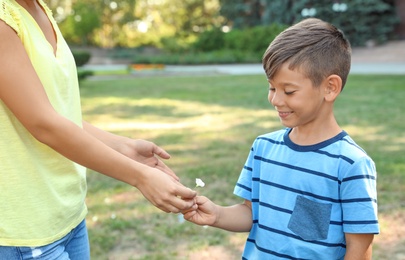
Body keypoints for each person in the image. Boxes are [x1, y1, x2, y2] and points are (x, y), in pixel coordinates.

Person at [0, 0, 196, 258]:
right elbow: (43, 124)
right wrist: (139, 177)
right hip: (25, 231)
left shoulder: (39, 9)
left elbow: (59, 112)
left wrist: (123, 147)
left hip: (67, 215)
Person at [183, 18, 379, 259]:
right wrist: (217, 215)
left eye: (288, 91)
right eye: (272, 88)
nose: (275, 100)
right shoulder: (263, 148)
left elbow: (359, 250)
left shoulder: (351, 164)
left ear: (330, 87)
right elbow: (252, 214)